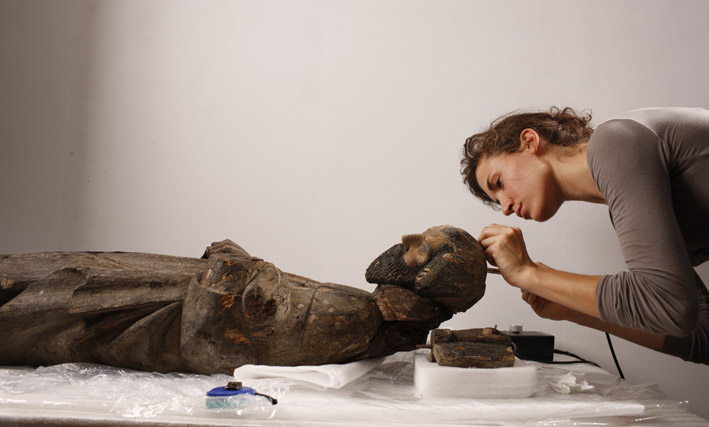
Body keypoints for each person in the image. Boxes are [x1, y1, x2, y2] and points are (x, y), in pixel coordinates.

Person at [0, 225, 487, 374]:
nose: (405, 239)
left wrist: (233, 261)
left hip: (154, 312)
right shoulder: (363, 314)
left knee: (36, 295)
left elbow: (223, 340)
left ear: (430, 277)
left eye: (421, 245)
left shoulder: (356, 316)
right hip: (163, 298)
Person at [460, 106, 709, 364]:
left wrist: (529, 273)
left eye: (498, 182)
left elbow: (669, 304)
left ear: (530, 142)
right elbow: (701, 335)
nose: (505, 208)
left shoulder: (615, 141)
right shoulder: (626, 207)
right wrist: (571, 309)